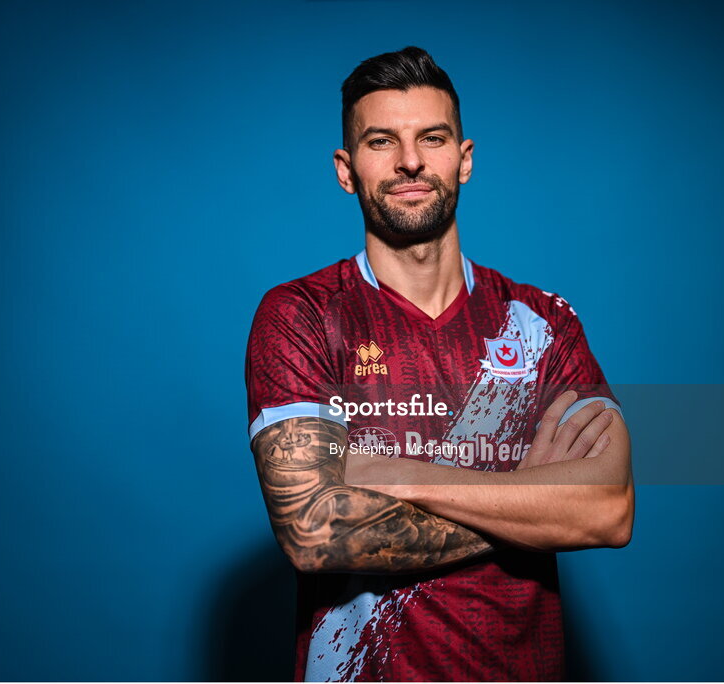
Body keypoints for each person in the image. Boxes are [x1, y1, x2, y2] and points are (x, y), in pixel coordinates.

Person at [245, 46, 634, 682]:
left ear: (465, 158)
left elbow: (608, 509)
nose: (409, 161)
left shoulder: (541, 324)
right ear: (346, 170)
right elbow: (314, 530)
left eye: (432, 136)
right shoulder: (303, 315)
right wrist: (534, 505)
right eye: (380, 141)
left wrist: (395, 474)